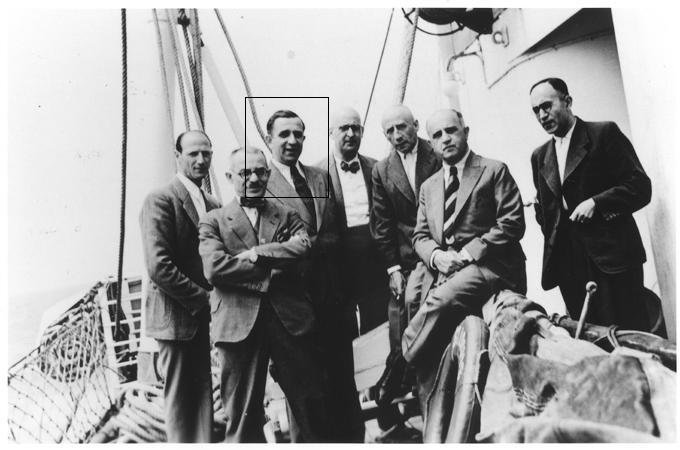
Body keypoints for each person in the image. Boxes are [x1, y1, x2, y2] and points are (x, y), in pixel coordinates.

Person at [198, 146, 332, 443]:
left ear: (269, 174)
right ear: (229, 177)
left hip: (291, 321)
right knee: (243, 416)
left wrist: (258, 254)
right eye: (245, 173)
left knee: (310, 409)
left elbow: (303, 247)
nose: (254, 178)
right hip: (238, 325)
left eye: (260, 172)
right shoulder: (213, 220)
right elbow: (215, 269)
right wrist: (273, 268)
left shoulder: (285, 214)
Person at [400, 109, 527, 421]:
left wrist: (467, 253)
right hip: (445, 267)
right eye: (437, 135)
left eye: (451, 131)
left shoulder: (493, 170)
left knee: (440, 301)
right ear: (430, 143)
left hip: (491, 266)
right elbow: (419, 236)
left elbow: (512, 223)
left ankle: (400, 365)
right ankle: (434, 422)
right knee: (415, 304)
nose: (445, 139)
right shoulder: (429, 186)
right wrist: (436, 256)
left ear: (465, 132)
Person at [265, 110, 364, 442]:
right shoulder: (261, 183)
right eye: (284, 134)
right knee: (308, 398)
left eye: (298, 134)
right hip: (294, 307)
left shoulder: (320, 177)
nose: (292, 141)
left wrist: (347, 297)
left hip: (334, 303)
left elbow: (337, 234)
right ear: (269, 139)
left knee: (343, 388)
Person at [529, 77, 652, 330]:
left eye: (547, 106)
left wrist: (597, 203)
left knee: (629, 335)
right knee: (588, 339)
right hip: (570, 267)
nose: (542, 115)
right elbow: (545, 211)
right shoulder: (539, 156)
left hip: (613, 259)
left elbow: (640, 186)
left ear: (568, 101)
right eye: (536, 110)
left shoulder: (603, 133)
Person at [139, 130, 220, 442]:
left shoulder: (211, 203)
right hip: (176, 317)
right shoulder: (161, 200)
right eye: (193, 154)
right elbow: (159, 266)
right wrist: (206, 300)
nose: (201, 160)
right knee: (181, 399)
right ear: (178, 156)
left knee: (202, 394)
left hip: (201, 317)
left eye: (206, 153)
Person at [370, 104, 441, 406]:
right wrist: (393, 269)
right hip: (408, 259)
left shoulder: (437, 153)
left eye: (402, 127)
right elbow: (382, 223)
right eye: (390, 131)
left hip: (441, 251)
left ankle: (421, 379)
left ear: (416, 124)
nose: (397, 135)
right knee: (400, 315)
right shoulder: (381, 170)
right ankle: (401, 376)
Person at [320, 106, 390, 336]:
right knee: (342, 329)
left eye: (355, 128)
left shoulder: (377, 167)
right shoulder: (317, 173)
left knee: (379, 324)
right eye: (344, 128)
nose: (350, 134)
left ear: (362, 131)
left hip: (374, 259)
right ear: (331, 132)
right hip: (339, 263)